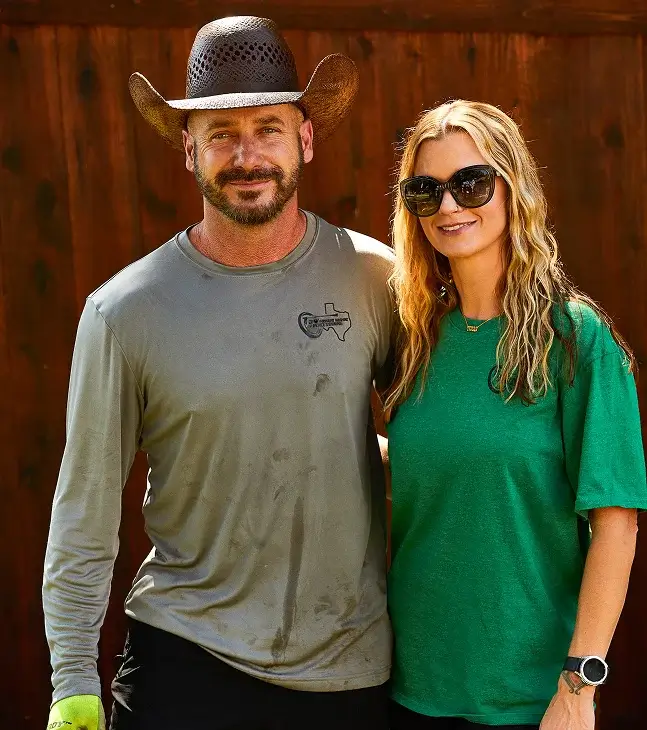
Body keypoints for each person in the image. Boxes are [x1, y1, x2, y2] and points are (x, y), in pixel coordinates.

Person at [42, 16, 394, 730]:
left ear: (305, 139)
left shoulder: (374, 278)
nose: (246, 155)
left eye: (268, 128)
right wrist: (73, 674)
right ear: (189, 150)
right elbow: (85, 508)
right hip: (185, 663)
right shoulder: (124, 311)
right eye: (221, 134)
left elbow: (445, 436)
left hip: (346, 670)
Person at [381, 100, 647, 729]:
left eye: (471, 183)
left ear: (513, 188)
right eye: (425, 191)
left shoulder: (575, 340)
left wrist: (578, 684)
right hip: (410, 689)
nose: (449, 206)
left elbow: (616, 522)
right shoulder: (414, 338)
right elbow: (441, 469)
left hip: (533, 700)